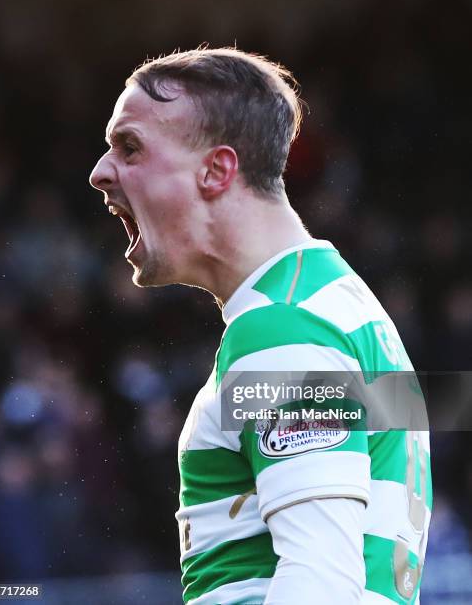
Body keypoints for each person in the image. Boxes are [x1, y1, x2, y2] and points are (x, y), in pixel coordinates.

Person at [89, 47, 432, 604]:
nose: (100, 172)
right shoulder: (335, 306)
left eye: (130, 147)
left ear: (217, 170)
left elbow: (320, 588)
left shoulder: (286, 330)